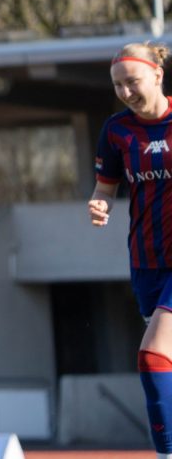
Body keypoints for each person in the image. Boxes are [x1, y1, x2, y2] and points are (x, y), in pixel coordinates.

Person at [89, 41, 172, 459]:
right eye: (117, 85)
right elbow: (105, 189)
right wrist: (99, 204)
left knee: (154, 356)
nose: (125, 92)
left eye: (132, 82)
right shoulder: (116, 131)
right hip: (146, 263)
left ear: (157, 75)